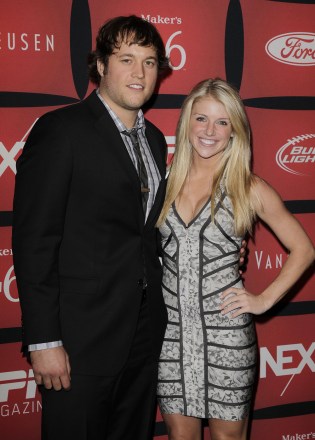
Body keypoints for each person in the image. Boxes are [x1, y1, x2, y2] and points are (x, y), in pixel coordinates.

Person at [12, 15, 170, 440]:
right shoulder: (61, 130)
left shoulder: (155, 139)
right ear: (101, 65)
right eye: (126, 59)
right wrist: (44, 340)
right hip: (79, 338)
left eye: (150, 62)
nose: (139, 73)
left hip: (144, 333)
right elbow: (34, 241)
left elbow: (147, 232)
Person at [156, 78, 314, 440]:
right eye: (201, 119)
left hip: (227, 336)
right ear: (186, 123)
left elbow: (304, 249)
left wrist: (262, 300)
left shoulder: (248, 187)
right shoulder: (163, 180)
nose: (209, 131)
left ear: (234, 132)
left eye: (222, 122)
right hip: (171, 336)